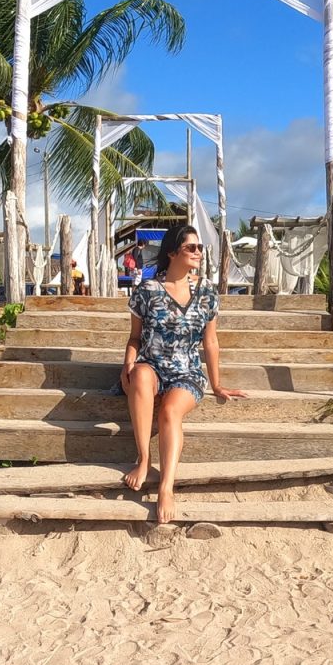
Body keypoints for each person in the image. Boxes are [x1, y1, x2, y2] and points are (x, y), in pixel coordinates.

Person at [118, 224, 246, 523]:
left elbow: (210, 341)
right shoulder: (147, 290)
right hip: (151, 363)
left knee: (169, 413)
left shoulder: (206, 292)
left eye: (200, 248)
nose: (198, 252)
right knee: (140, 375)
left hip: (186, 371)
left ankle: (166, 487)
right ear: (173, 252)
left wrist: (216, 384)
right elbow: (135, 338)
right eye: (192, 247)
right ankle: (144, 459)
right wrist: (128, 363)